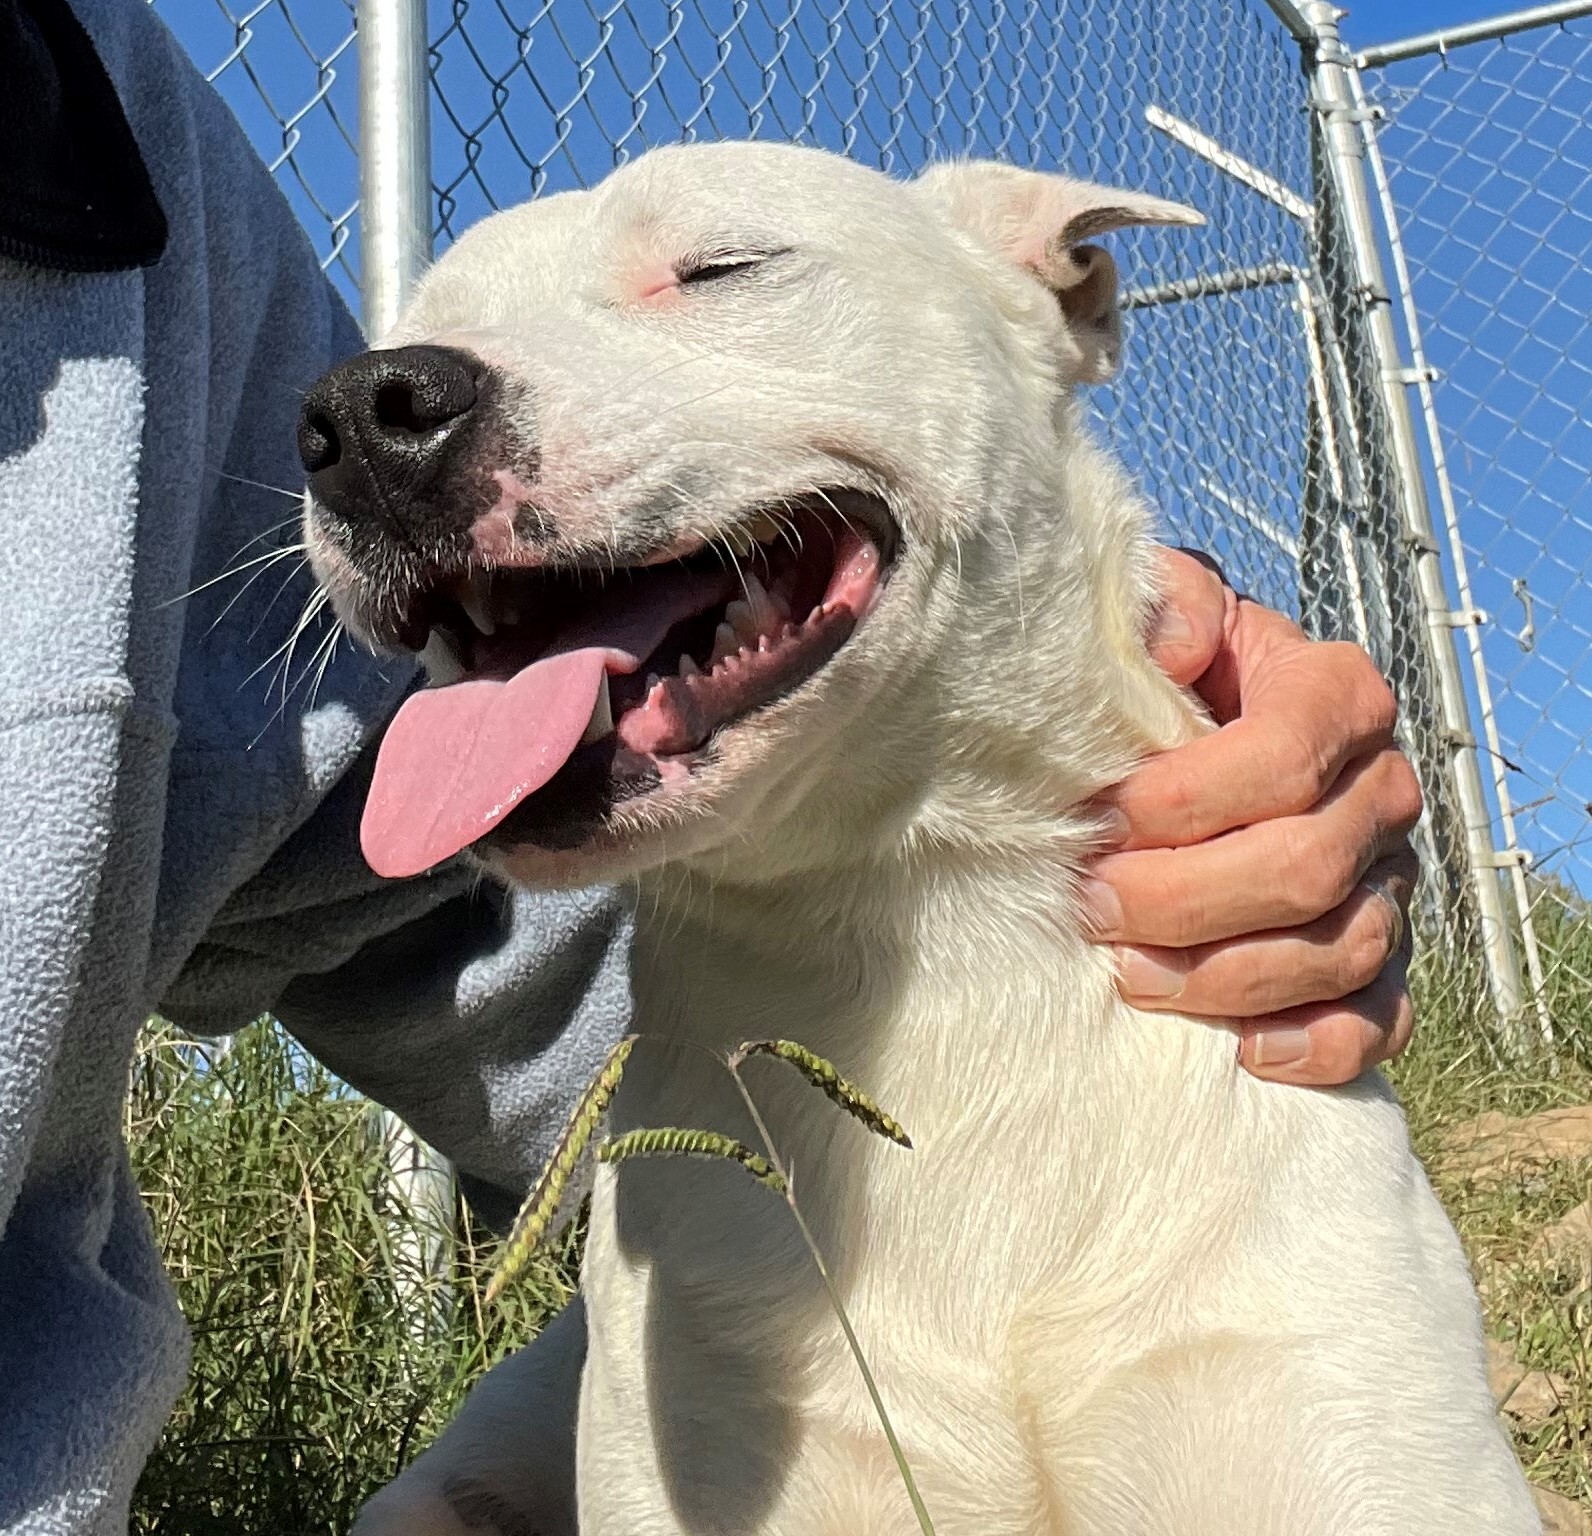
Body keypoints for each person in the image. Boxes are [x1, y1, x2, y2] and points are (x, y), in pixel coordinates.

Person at [0, 0, 1421, 1530]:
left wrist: (1168, 673)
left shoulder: (100, 147)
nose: (376, 415)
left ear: (1047, 307)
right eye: (414, 354)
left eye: (722, 273)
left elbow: (441, 919)